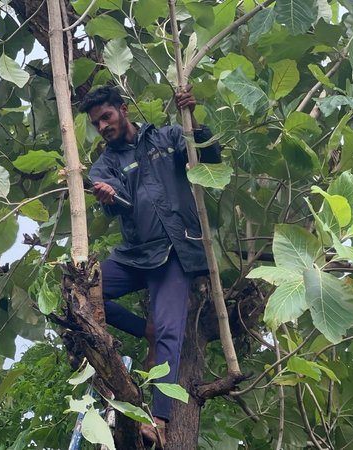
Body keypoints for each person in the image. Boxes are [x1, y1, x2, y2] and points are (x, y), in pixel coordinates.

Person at [79, 85, 221, 448]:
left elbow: (211, 156)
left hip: (173, 252)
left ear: (123, 110)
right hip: (135, 255)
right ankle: (146, 330)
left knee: (171, 333)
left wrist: (194, 122)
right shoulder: (105, 163)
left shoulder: (167, 137)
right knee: (78, 293)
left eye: (106, 117)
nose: (103, 127)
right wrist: (107, 195)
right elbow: (115, 200)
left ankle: (158, 418)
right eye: (96, 124)